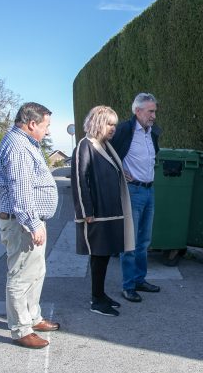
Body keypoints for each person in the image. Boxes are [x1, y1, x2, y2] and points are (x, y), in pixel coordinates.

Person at [0, 102, 60, 349]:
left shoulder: (23, 142)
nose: (48, 131)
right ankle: (21, 328)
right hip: (22, 222)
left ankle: (33, 317)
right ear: (32, 123)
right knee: (21, 275)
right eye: (46, 126)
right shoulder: (19, 146)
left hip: (27, 220)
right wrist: (33, 224)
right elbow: (21, 191)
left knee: (34, 272)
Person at [71, 105, 135, 316]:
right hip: (97, 213)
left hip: (110, 211)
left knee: (105, 254)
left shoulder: (105, 145)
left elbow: (106, 169)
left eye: (114, 124)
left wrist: (120, 174)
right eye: (109, 123)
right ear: (98, 122)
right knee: (98, 256)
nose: (113, 128)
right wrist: (85, 211)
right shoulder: (85, 145)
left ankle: (101, 294)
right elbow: (80, 180)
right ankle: (96, 299)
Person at [110, 93, 161, 303]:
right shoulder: (125, 129)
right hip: (132, 191)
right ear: (137, 111)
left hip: (149, 191)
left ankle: (140, 279)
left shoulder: (152, 133)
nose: (154, 115)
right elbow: (106, 151)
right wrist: (119, 169)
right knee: (129, 241)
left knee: (144, 240)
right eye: (150, 111)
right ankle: (128, 285)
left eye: (155, 111)